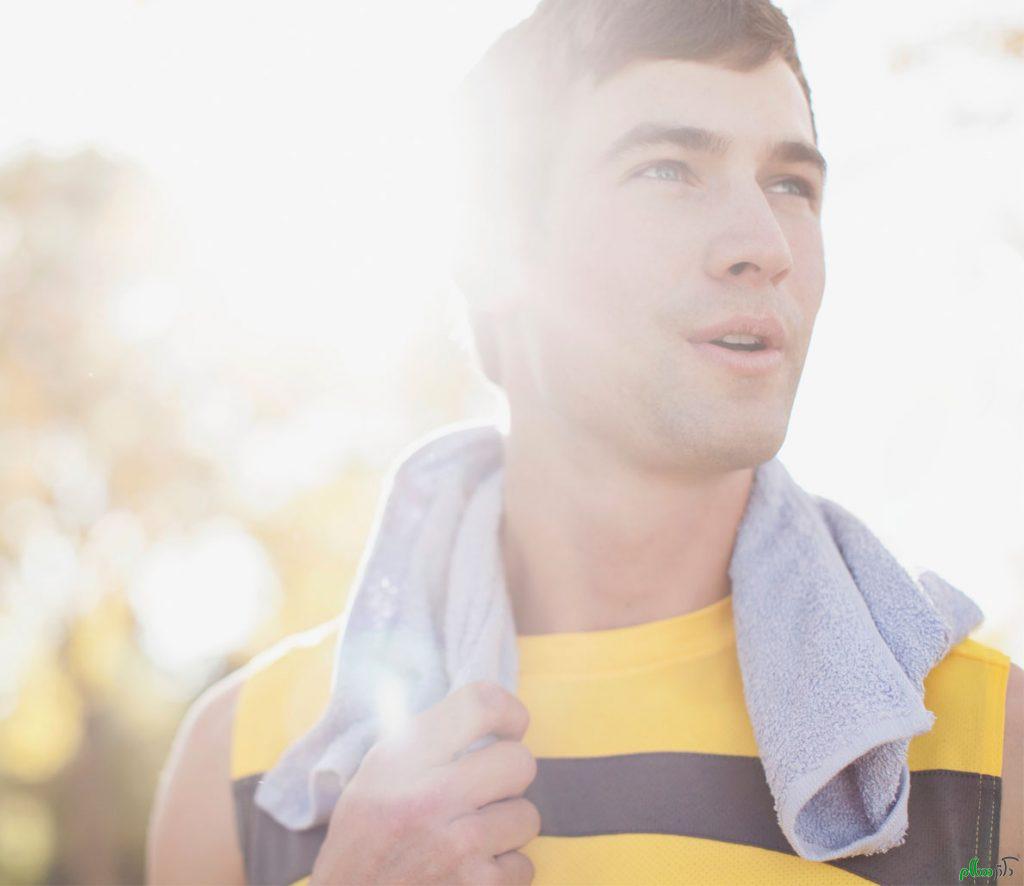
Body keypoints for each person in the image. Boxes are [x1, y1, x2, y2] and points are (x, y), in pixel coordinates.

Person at [146, 1, 1023, 883]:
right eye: (668, 169)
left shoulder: (990, 752)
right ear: (495, 258)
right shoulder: (244, 767)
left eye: (790, 184)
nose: (766, 245)